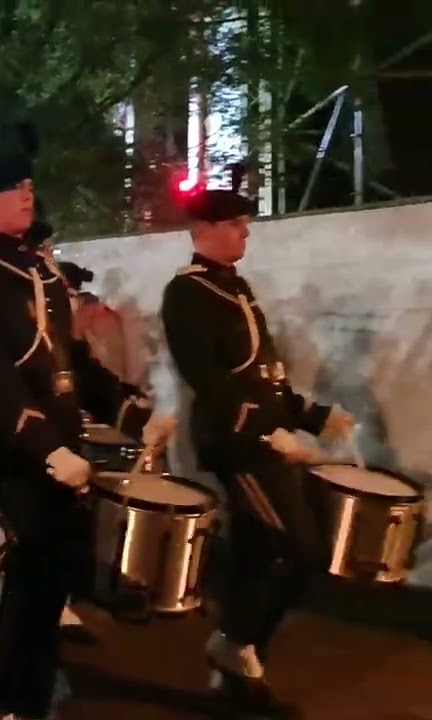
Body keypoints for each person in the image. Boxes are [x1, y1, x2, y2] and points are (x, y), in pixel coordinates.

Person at [0, 153, 175, 720]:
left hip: (58, 449)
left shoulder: (39, 270)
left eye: (27, 184)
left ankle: (21, 690)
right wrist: (47, 448)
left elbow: (71, 363)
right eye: (11, 187)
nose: (26, 194)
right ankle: (7, 699)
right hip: (10, 449)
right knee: (36, 573)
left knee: (48, 580)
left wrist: (132, 414)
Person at [160, 188, 355, 717]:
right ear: (207, 229)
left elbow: (265, 379)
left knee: (252, 556)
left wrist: (313, 416)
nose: (246, 232)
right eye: (237, 223)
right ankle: (233, 641)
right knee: (300, 546)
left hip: (263, 438)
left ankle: (238, 668)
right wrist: (265, 433)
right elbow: (210, 379)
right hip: (239, 445)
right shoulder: (189, 292)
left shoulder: (236, 288)